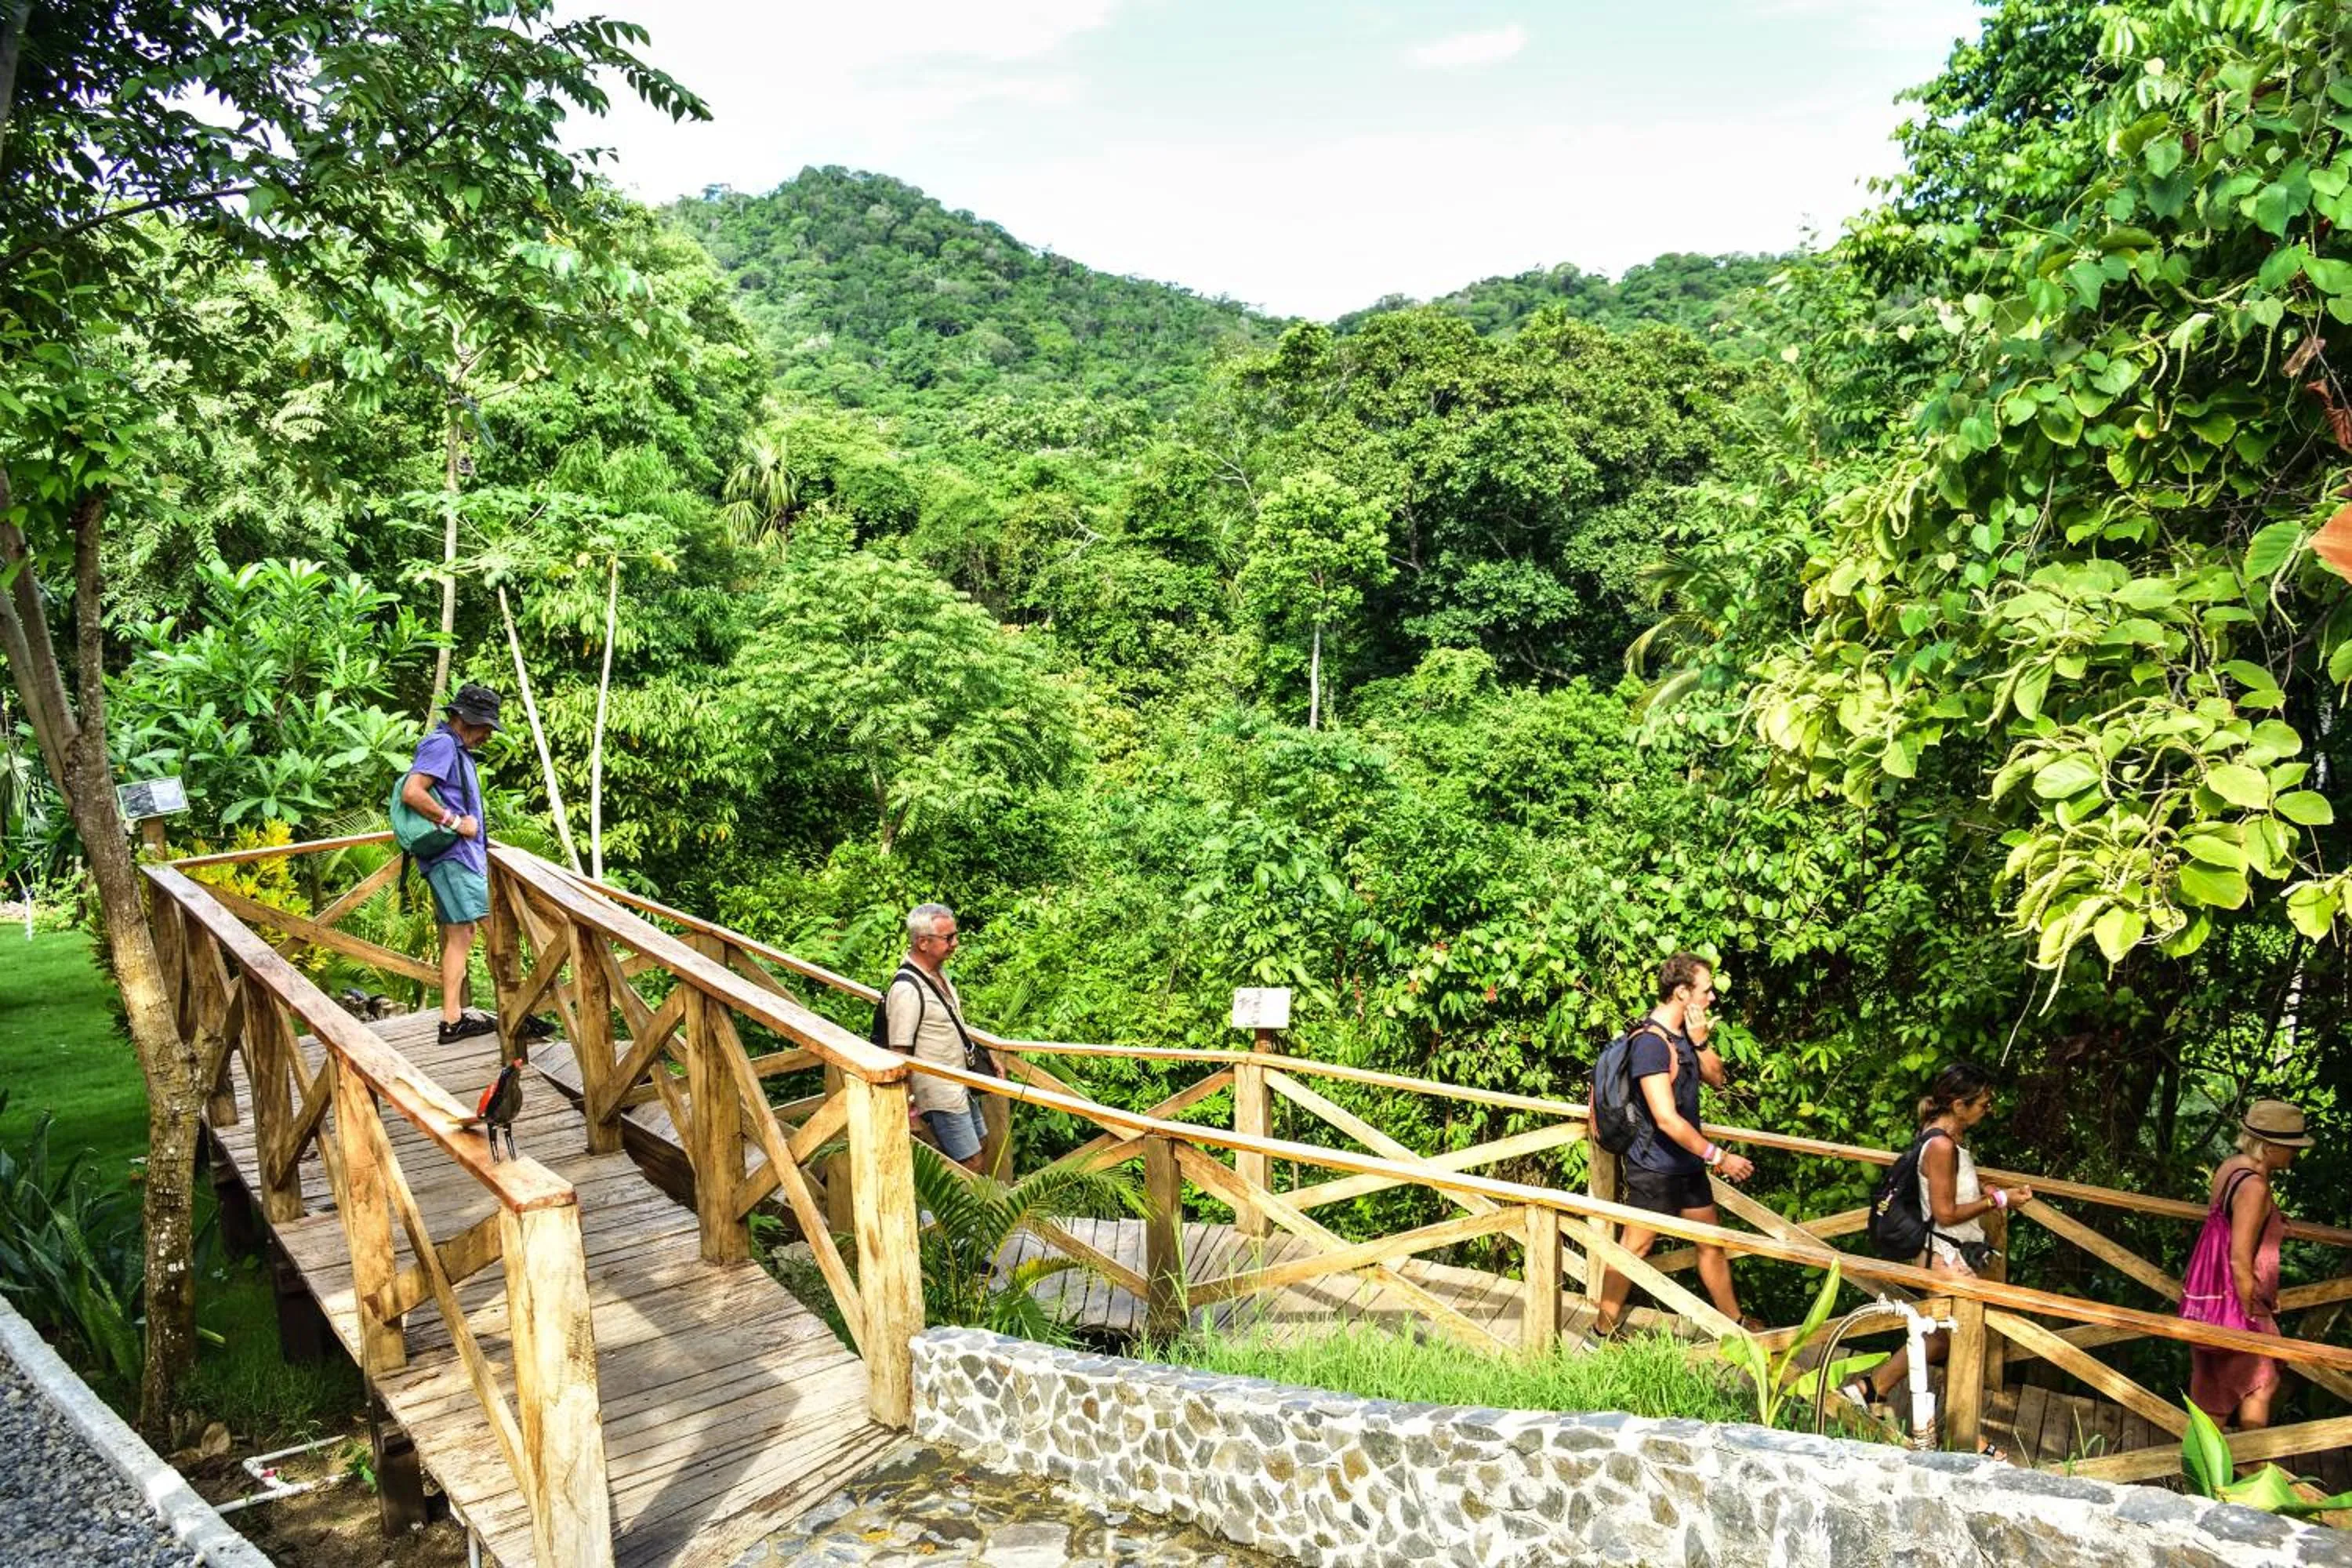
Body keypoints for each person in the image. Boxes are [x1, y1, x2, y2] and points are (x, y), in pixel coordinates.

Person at [1842, 1062, 2030, 1428]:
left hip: (1945, 1250)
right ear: (1958, 1106)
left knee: (1944, 1339)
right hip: (1946, 1255)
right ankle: (1963, 1434)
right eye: (1983, 1105)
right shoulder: (1942, 1145)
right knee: (1965, 1337)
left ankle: (1871, 1388)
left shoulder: (1937, 1134)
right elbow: (1944, 1211)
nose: (1987, 1111)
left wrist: (1981, 1191)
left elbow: (1940, 1193)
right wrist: (1999, 1201)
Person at [1592, 952, 1758, 1339]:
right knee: (1635, 1249)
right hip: (1654, 1168)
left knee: (1711, 1243)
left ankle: (1735, 1326)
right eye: (1706, 990)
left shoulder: (1684, 1036)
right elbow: (1665, 1118)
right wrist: (1719, 1157)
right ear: (1682, 991)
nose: (1712, 997)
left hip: (1687, 1164)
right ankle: (1602, 1332)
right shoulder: (1650, 1044)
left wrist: (1701, 1044)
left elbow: (1717, 1079)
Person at [2183, 1099, 2312, 1432]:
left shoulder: (2231, 1167)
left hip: (2211, 1294)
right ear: (2268, 1147)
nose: (2294, 1154)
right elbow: (2239, 1257)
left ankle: (2209, 1471)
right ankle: (2250, 1468)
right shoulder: (2254, 1187)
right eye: (2290, 1147)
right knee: (2258, 1382)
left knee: (2218, 1384)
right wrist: (2252, 1315)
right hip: (2236, 1299)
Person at [401, 684, 500, 1045]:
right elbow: (412, 792)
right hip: (454, 859)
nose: (489, 735)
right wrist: (456, 823)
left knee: (462, 935)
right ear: (466, 719)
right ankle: (516, 1012)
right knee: (496, 930)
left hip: (456, 858)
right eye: (486, 726)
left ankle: (452, 1020)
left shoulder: (454, 748)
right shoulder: (442, 744)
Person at [885, 903, 998, 1174]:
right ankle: (957, 1217)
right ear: (923, 942)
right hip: (938, 1092)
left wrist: (985, 1052)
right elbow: (898, 1053)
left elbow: (949, 1024)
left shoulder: (937, 974)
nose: (955, 943)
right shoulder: (906, 989)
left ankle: (963, 1214)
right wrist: (908, 1111)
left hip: (960, 1083)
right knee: (969, 1162)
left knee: (982, 1145)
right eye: (948, 938)